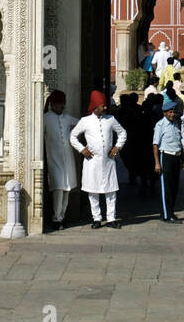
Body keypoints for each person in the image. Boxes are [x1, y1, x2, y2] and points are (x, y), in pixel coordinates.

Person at [70, 90, 127, 228]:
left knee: (111, 190)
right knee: (93, 190)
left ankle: (111, 218)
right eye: (103, 106)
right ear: (95, 107)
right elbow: (73, 136)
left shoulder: (110, 119)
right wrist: (82, 149)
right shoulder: (85, 121)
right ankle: (96, 218)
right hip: (92, 161)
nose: (105, 108)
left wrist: (117, 147)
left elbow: (122, 133)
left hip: (108, 161)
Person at [43, 90, 78, 230]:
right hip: (53, 159)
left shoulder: (67, 118)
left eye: (63, 103)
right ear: (52, 104)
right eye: (58, 104)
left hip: (68, 159)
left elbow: (82, 124)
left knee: (67, 189)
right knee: (58, 188)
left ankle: (62, 217)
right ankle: (56, 218)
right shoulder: (45, 118)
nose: (61, 106)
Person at [153, 96, 184, 223]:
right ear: (164, 113)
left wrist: (182, 160)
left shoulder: (176, 123)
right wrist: (157, 163)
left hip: (176, 156)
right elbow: (155, 145)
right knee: (166, 187)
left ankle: (170, 211)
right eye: (170, 112)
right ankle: (167, 215)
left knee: (174, 187)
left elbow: (179, 142)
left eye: (173, 112)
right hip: (166, 156)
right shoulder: (160, 125)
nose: (172, 114)